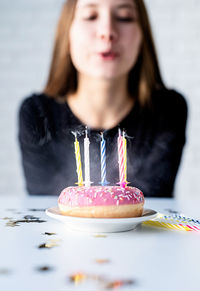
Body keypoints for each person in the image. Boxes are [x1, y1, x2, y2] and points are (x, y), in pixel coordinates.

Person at [18, 0, 187, 197]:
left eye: (124, 17)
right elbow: (44, 207)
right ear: (67, 33)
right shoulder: (38, 114)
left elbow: (151, 205)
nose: (107, 32)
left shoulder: (168, 110)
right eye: (90, 16)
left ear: (143, 36)